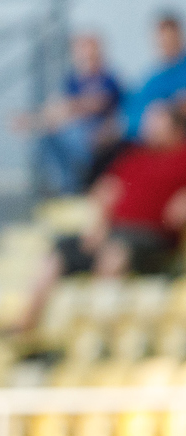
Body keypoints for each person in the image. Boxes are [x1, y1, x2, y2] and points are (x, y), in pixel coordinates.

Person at [23, 100, 186, 329]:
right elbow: (104, 189)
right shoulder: (133, 156)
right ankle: (26, 326)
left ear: (176, 126)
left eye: (155, 120)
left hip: (154, 242)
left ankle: (97, 331)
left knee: (114, 254)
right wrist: (97, 225)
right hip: (114, 234)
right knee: (59, 251)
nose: (147, 126)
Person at [15, 32, 122, 194]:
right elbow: (58, 106)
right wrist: (34, 119)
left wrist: (65, 109)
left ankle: (73, 187)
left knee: (61, 128)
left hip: (97, 134)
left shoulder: (107, 79)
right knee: (47, 135)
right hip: (74, 132)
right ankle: (67, 188)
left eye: (90, 52)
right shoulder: (73, 81)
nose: (86, 57)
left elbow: (95, 104)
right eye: (82, 52)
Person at [121, 13, 186, 141]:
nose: (167, 45)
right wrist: (152, 118)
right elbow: (130, 117)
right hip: (153, 145)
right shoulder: (152, 79)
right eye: (163, 41)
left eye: (171, 39)